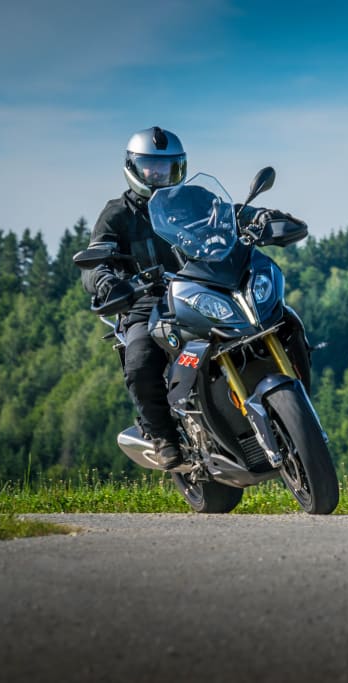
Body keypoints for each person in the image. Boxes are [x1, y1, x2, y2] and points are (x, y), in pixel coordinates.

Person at [81, 126, 299, 468]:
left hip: (205, 287)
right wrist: (105, 280)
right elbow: (95, 259)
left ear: (178, 167)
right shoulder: (117, 214)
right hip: (146, 303)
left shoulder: (195, 198)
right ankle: (163, 436)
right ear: (134, 169)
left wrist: (261, 218)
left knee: (283, 317)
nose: (159, 174)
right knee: (140, 360)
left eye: (167, 167)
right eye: (151, 167)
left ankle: (293, 398)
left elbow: (232, 214)